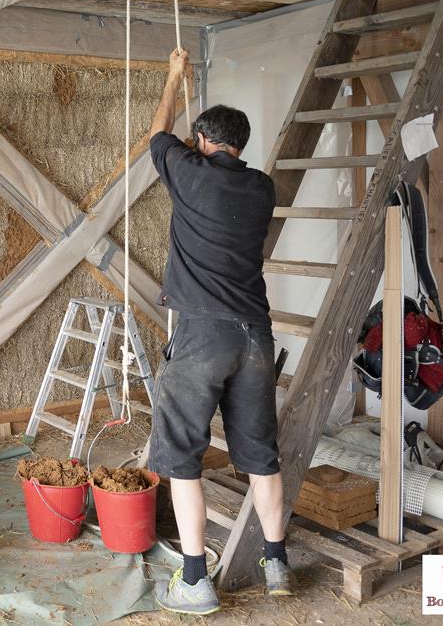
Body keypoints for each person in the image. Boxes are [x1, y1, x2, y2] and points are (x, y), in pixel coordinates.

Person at [147, 48, 291, 615]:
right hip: (256, 334)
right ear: (241, 147)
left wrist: (172, 79)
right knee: (262, 456)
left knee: (183, 457)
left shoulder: (188, 171)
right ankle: (277, 564)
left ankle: (194, 581)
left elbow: (159, 134)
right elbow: (182, 146)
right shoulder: (262, 188)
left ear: (203, 142)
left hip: (203, 334)